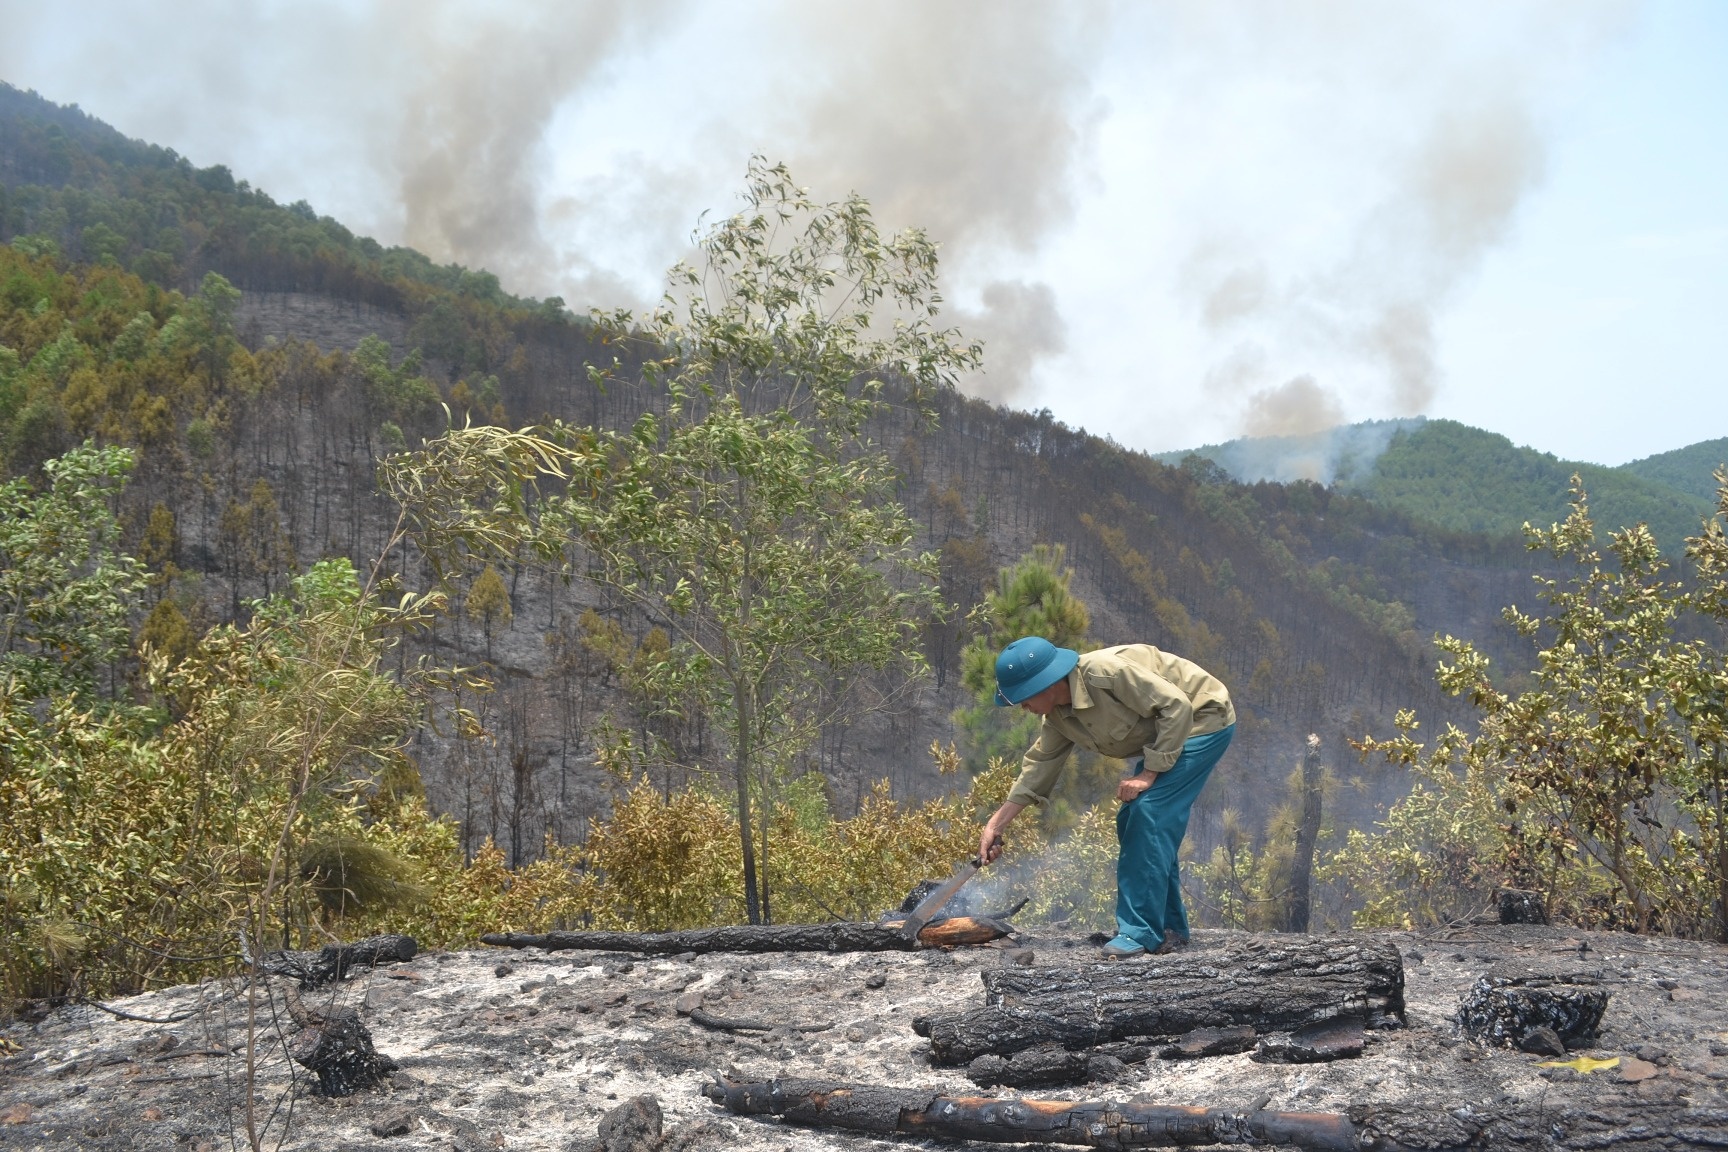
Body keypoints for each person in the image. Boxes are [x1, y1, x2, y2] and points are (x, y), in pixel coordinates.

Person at [978, 636, 1235, 958]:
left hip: (1201, 720)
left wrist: (1147, 775)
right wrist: (996, 824)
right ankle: (1169, 928)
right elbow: (1040, 765)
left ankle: (1140, 932)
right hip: (1168, 733)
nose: (1022, 707)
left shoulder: (1106, 674)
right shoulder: (1058, 714)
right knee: (1132, 818)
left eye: (1023, 698)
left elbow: (1176, 706)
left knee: (1148, 813)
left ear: (1046, 684)